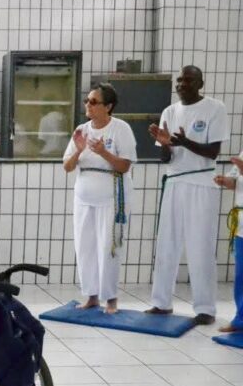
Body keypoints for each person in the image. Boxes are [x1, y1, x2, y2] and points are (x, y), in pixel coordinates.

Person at [147, 66, 229, 325]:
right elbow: (164, 157)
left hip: (201, 182)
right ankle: (161, 303)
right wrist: (167, 144)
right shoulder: (169, 112)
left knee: (200, 245)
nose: (182, 84)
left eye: (188, 80)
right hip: (174, 182)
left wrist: (184, 142)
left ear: (200, 83)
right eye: (180, 80)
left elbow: (213, 152)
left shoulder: (215, 108)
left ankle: (205, 308)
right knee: (166, 243)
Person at [63, 83, 137, 314]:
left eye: (93, 102)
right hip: (84, 196)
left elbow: (125, 165)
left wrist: (103, 152)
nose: (88, 105)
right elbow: (67, 166)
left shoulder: (120, 129)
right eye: (87, 101)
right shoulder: (81, 130)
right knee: (84, 246)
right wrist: (79, 149)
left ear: (108, 106)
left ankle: (111, 298)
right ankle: (91, 295)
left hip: (111, 197)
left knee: (109, 247)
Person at [214, 155, 243, 333]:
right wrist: (225, 181)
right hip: (241, 224)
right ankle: (240, 320)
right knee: (241, 274)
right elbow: (235, 182)